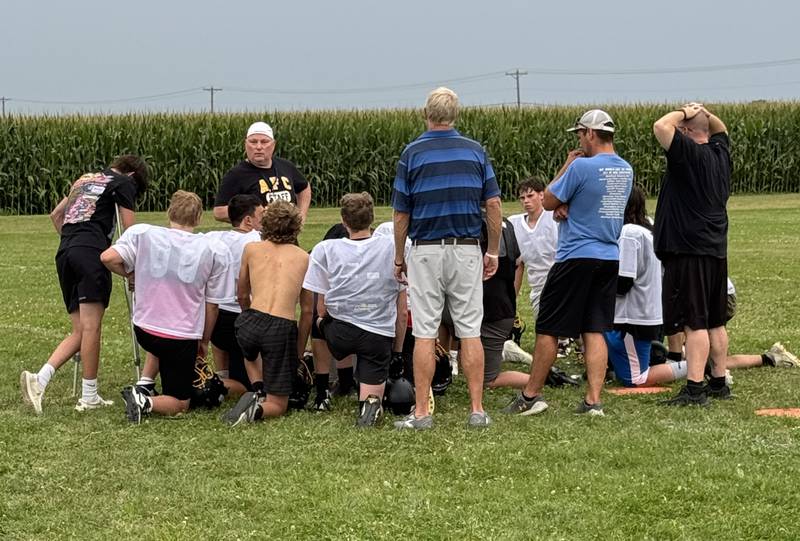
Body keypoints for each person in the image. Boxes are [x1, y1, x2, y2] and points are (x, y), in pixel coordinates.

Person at [503, 109, 633, 417]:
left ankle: (531, 395)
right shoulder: (625, 170)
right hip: (609, 256)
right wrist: (568, 204)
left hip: (576, 255)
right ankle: (593, 400)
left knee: (548, 326)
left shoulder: (581, 167)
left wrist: (567, 165)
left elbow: (548, 201)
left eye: (579, 134)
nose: (578, 141)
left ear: (590, 133)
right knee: (594, 328)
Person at [391, 86, 502, 429]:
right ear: (455, 116)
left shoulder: (412, 154)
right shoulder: (475, 152)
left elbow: (401, 213)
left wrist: (399, 257)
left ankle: (422, 412)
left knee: (425, 331)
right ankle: (477, 409)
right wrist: (493, 249)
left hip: (425, 248)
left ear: (427, 115)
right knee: (469, 329)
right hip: (466, 246)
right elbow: (493, 204)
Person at [20, 155, 148, 414]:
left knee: (80, 331)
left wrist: (76, 242)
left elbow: (56, 215)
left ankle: (42, 379)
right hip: (91, 255)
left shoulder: (85, 179)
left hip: (65, 253)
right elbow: (130, 232)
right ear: (134, 175)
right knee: (92, 328)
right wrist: (132, 269)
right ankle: (87, 395)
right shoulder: (124, 182)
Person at [100, 190, 235, 423]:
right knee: (180, 402)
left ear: (169, 213)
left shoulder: (143, 233)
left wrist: (130, 274)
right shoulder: (212, 248)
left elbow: (108, 258)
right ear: (198, 218)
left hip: (144, 329)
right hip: (180, 337)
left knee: (162, 333)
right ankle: (145, 401)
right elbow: (212, 306)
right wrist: (203, 341)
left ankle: (145, 383)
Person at [303, 192, 408, 427]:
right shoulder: (394, 247)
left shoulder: (325, 249)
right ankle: (368, 405)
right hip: (377, 335)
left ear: (343, 220)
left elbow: (321, 308)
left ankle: (324, 391)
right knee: (372, 391)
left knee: (317, 324)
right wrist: (397, 353)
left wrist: (326, 320)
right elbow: (402, 313)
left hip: (339, 334)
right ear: (371, 218)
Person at [652, 103, 732, 406]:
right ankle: (719, 381)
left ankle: (696, 387)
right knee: (715, 320)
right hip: (715, 248)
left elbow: (661, 127)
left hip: (689, 249)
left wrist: (685, 112)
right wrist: (706, 113)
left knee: (694, 321)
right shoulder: (720, 153)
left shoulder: (688, 153)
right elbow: (721, 130)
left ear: (685, 132)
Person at [221, 200, 313, 425]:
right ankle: (257, 410)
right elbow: (308, 310)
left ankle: (258, 388)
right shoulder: (303, 257)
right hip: (281, 326)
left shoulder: (251, 249)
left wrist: (246, 316)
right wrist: (298, 353)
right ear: (296, 227)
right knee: (279, 405)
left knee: (250, 352)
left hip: (251, 320)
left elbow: (242, 294)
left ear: (265, 224)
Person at [204, 195, 263, 395]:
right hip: (241, 319)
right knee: (248, 385)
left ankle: (220, 374)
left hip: (215, 321)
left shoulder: (214, 237)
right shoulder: (256, 239)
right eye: (261, 215)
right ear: (248, 220)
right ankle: (208, 384)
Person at [213, 121, 311, 223]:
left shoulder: (286, 166)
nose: (259, 147)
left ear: (273, 145)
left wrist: (301, 216)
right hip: (255, 236)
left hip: (289, 235)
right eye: (253, 142)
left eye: (264, 142)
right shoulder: (236, 174)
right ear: (245, 144)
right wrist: (253, 215)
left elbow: (304, 187)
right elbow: (218, 212)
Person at [508, 176, 558, 321]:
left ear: (542, 195)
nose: (526, 201)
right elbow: (519, 265)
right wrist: (512, 299)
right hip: (537, 285)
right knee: (544, 330)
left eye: (530, 196)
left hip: (559, 281)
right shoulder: (514, 223)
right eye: (522, 198)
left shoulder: (554, 217)